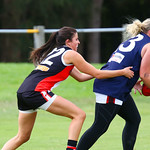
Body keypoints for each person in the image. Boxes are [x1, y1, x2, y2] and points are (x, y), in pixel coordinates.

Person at [2, 26, 134, 150]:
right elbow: (97, 74)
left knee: (22, 136)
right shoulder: (71, 54)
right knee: (79, 115)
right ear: (68, 41)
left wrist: (102, 71)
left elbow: (81, 77)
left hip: (23, 92)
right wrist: (121, 72)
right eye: (76, 39)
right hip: (37, 91)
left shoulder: (57, 52)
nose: (79, 42)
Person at [76, 18, 150, 150]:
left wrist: (134, 83)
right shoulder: (148, 45)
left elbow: (125, 62)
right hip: (112, 87)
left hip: (116, 86)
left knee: (134, 119)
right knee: (100, 127)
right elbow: (145, 75)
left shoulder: (135, 40)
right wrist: (145, 81)